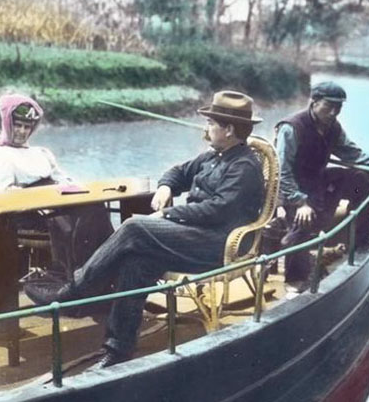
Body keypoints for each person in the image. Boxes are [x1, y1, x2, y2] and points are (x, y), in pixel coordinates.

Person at [25, 90, 265, 368]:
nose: (206, 128)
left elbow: (217, 211)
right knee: (137, 261)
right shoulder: (213, 156)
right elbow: (177, 173)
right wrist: (165, 188)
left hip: (219, 243)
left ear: (230, 129)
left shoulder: (244, 166)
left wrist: (168, 213)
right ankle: (118, 348)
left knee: (135, 227)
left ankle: (72, 293)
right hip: (196, 237)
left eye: (211, 123)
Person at [275, 81, 369, 288]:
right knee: (305, 222)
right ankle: (296, 277)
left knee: (362, 178)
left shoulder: (332, 127)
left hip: (317, 178)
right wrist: (300, 202)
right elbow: (282, 171)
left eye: (339, 108)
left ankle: (361, 240)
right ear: (314, 102)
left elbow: (354, 154)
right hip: (294, 186)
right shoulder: (291, 128)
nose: (334, 112)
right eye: (329, 106)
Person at [0, 93, 114, 278]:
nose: (21, 131)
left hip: (56, 204)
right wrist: (42, 199)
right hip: (29, 214)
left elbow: (64, 178)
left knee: (95, 207)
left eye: (26, 127)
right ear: (7, 125)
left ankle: (106, 271)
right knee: (86, 216)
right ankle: (80, 278)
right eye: (17, 126)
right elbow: (1, 195)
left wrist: (80, 190)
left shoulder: (40, 153)